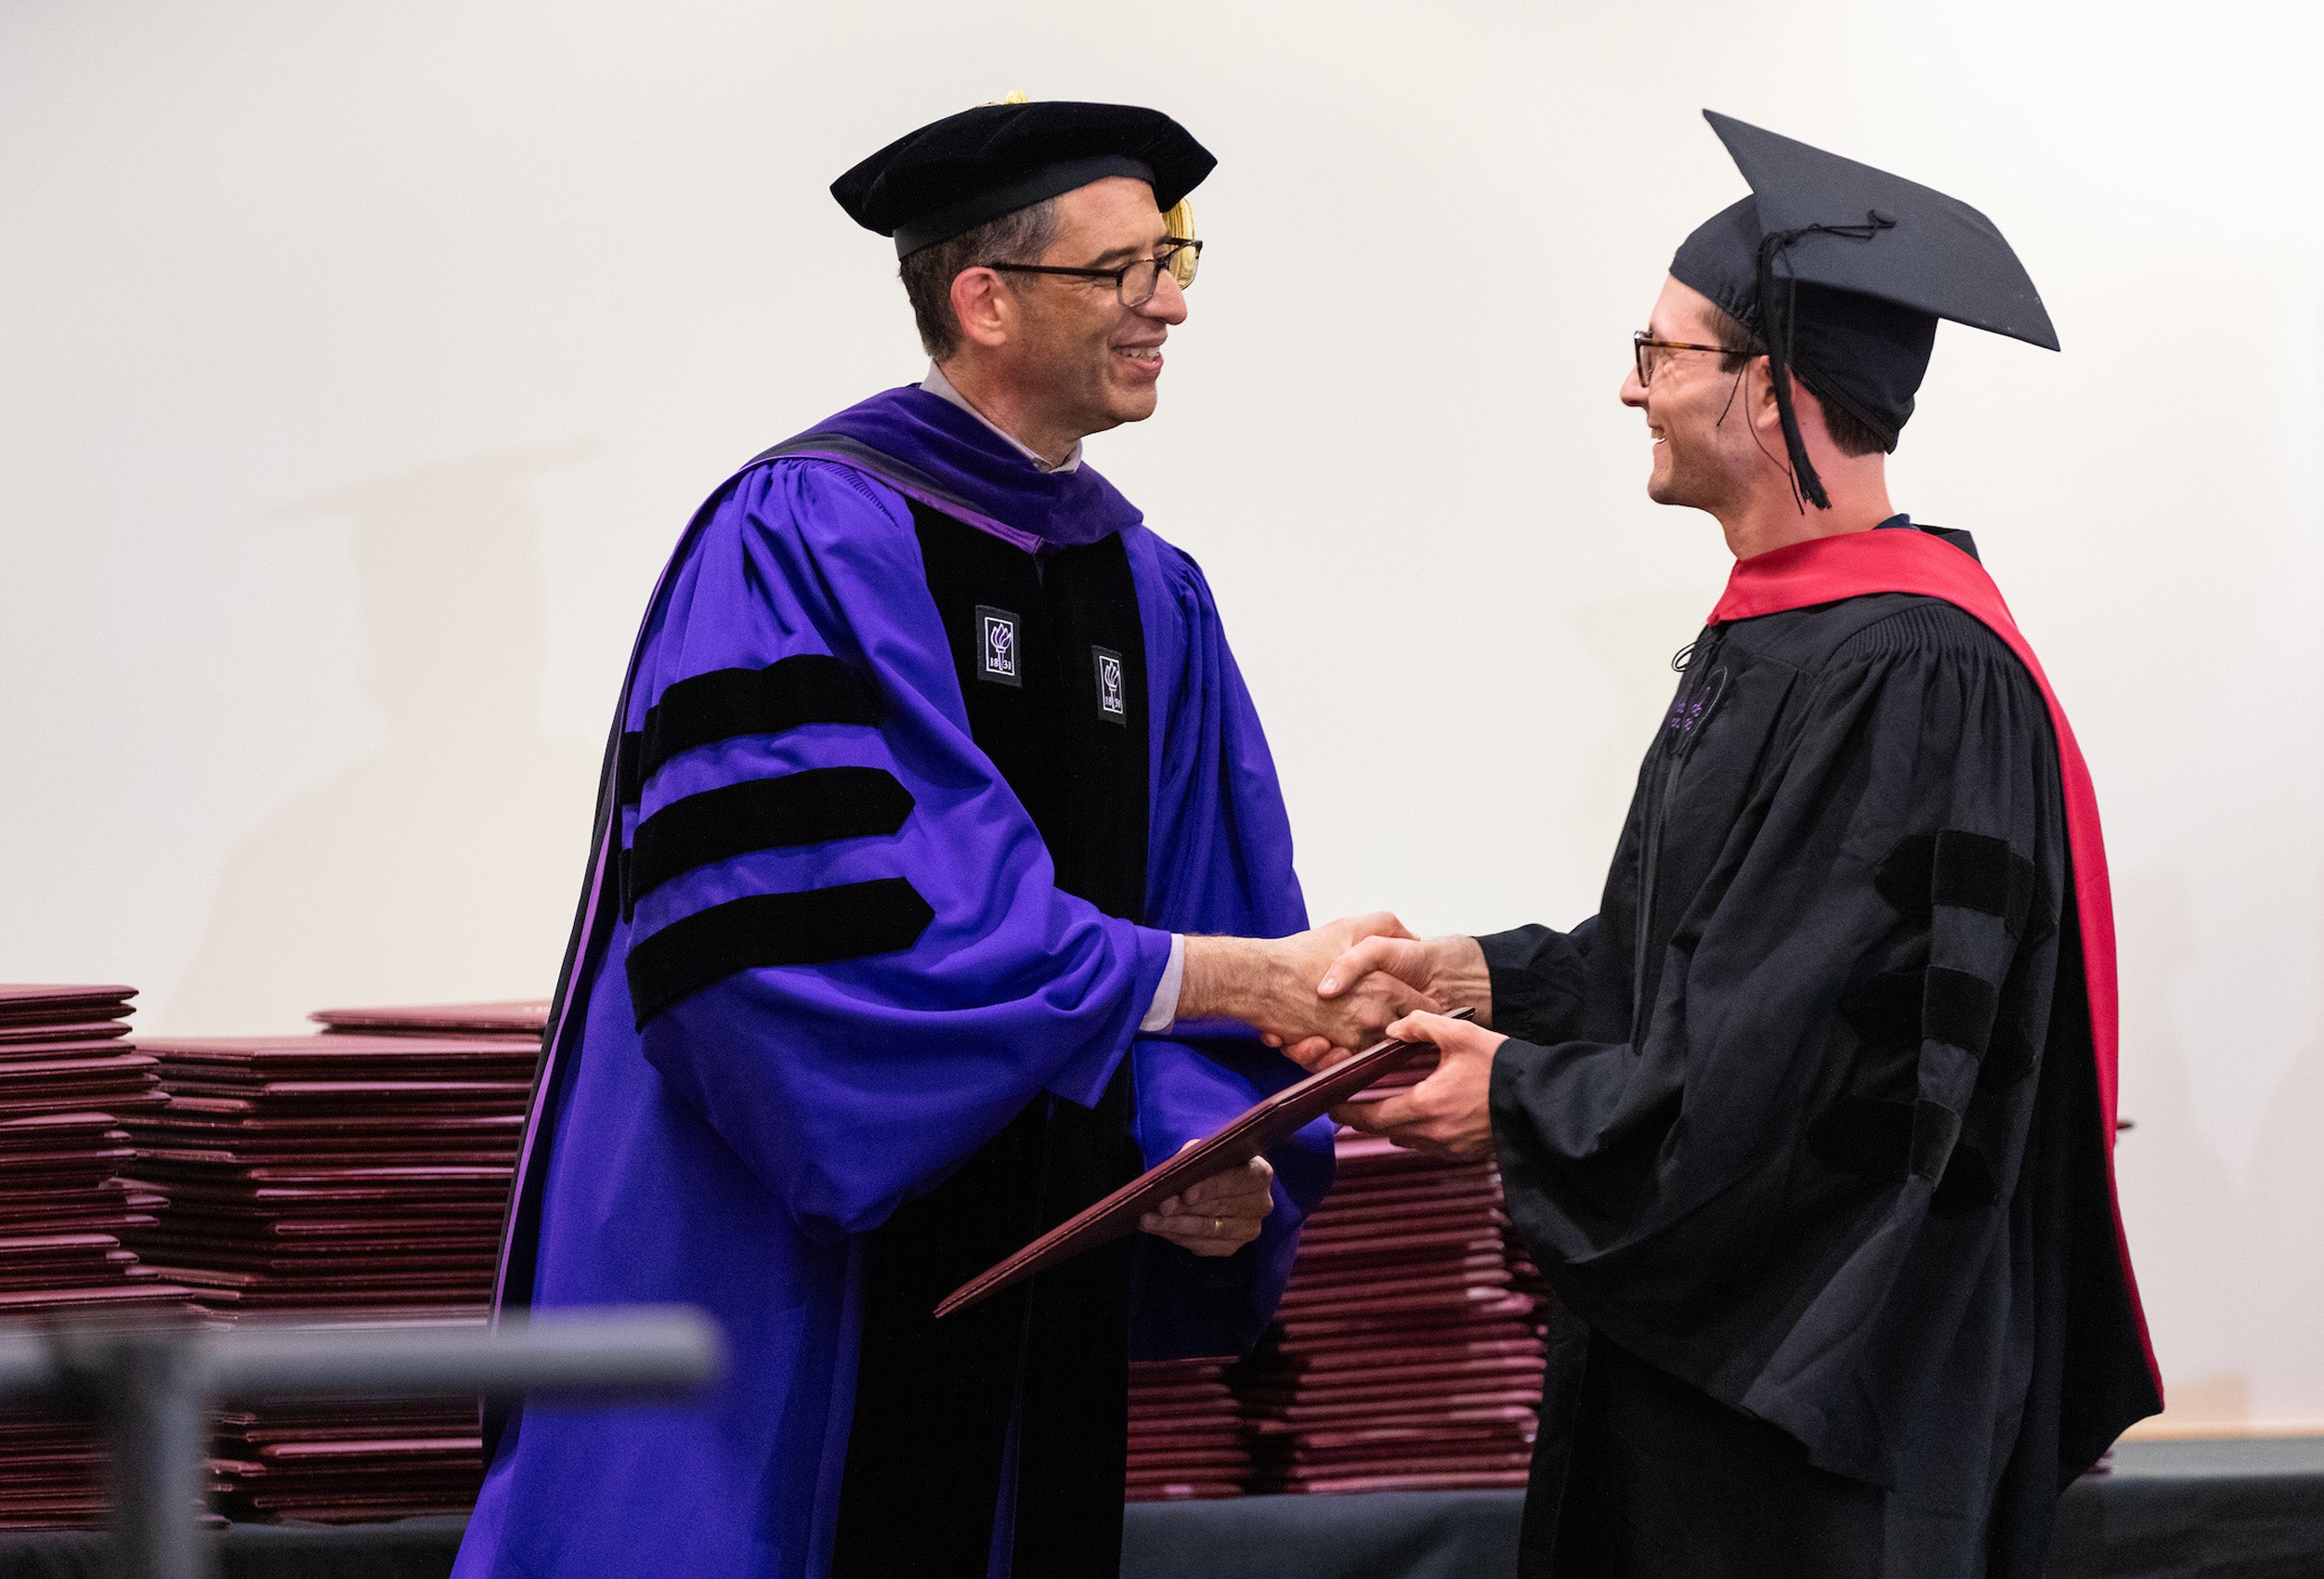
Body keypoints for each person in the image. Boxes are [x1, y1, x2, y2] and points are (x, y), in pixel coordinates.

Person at [451, 98, 1424, 1579]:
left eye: (1176, 261)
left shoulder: (1145, 586)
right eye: (1122, 270)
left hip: (1037, 1249)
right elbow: (846, 917)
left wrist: (1188, 1146)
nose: (1167, 302)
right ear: (984, 299)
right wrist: (1224, 981)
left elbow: (1202, 886)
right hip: (789, 1253)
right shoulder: (804, 535)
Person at [1295, 111, 2163, 1576]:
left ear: (1765, 393)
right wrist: (1465, 980)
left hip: (1823, 1396)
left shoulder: (1909, 673)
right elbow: (1685, 975)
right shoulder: (1788, 645)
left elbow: (1807, 1070)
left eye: (1659, 354)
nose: (1627, 389)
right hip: (1716, 1362)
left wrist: (1511, 1100)